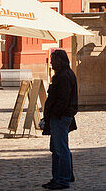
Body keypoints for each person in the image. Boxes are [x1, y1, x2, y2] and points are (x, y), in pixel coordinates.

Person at [42, 49, 78, 189]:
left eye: (54, 60)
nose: (51, 63)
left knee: (60, 149)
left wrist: (54, 114)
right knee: (58, 148)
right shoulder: (65, 74)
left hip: (60, 116)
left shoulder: (63, 76)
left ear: (60, 61)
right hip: (61, 115)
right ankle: (62, 176)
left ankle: (62, 179)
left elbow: (62, 99)